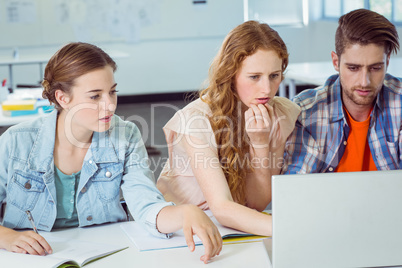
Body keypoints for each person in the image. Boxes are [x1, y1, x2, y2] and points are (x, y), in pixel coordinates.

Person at [0, 42, 222, 264]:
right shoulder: (16, 141)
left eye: (112, 92)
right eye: (95, 96)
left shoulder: (126, 136)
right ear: (62, 98)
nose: (110, 105)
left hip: (104, 256)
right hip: (28, 259)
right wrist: (7, 237)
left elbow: (146, 206)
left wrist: (185, 213)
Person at [156, 21, 301, 236]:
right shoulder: (196, 120)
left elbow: (257, 203)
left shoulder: (281, 113)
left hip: (234, 226)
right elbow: (222, 208)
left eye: (274, 75)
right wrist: (293, 230)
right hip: (182, 231)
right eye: (254, 77)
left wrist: (260, 143)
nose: (267, 89)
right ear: (231, 75)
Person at [282, 9, 402, 174]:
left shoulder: (400, 102)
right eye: (353, 68)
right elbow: (297, 187)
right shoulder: (306, 112)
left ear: (387, 62)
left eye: (375, 68)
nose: (364, 81)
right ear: (335, 62)